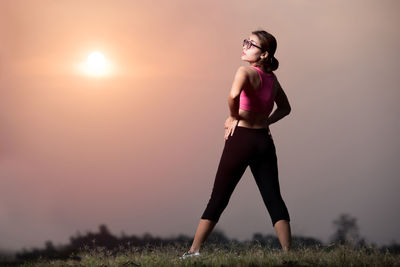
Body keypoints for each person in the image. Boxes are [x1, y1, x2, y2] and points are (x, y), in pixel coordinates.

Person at [180, 30, 292, 260]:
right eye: (246, 42)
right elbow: (285, 108)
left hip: (241, 139)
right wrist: (266, 121)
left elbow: (232, 96)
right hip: (264, 141)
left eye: (251, 44)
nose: (245, 46)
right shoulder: (273, 80)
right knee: (273, 197)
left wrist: (233, 117)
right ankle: (288, 254)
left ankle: (193, 251)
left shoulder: (244, 71)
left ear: (264, 54)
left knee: (219, 197)